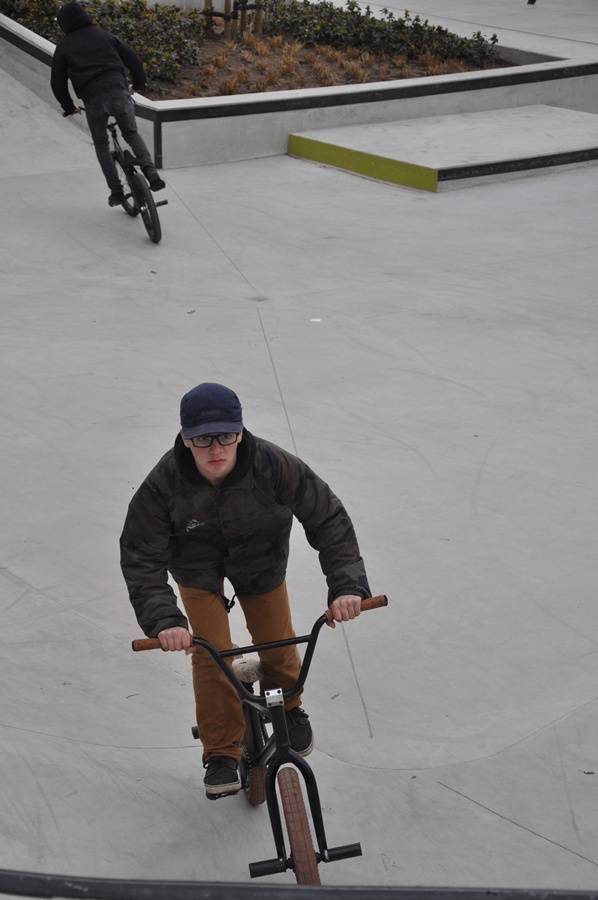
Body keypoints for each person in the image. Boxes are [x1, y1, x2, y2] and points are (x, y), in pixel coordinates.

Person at [120, 382, 371, 799]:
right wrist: (165, 621)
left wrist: (346, 585)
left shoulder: (273, 465)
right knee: (212, 652)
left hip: (261, 558)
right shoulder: (163, 485)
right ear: (186, 438)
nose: (216, 448)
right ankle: (221, 751)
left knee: (278, 640)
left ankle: (289, 706)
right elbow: (140, 556)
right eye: (203, 439)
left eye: (226, 435)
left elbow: (327, 516)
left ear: (240, 431)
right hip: (196, 568)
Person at [50, 1, 165, 207]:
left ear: (63, 24)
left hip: (94, 100)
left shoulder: (64, 47)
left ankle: (117, 192)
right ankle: (151, 173)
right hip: (118, 92)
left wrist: (69, 107)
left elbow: (57, 83)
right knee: (131, 133)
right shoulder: (104, 36)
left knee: (102, 144)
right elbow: (134, 61)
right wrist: (138, 84)